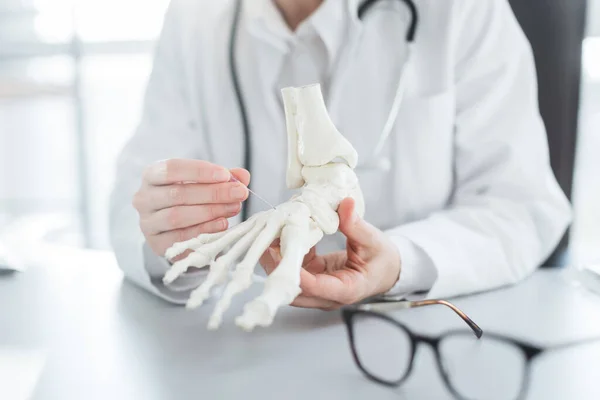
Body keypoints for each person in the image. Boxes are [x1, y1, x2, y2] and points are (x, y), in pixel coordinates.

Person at [109, 0, 572, 308]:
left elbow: (521, 205)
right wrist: (167, 235)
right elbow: (135, 200)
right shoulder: (196, 16)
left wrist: (403, 262)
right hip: (252, 350)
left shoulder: (459, 10)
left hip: (419, 339)